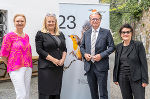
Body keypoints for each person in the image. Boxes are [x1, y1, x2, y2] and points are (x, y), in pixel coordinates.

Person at [80, 11, 115, 99]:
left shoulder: (106, 32)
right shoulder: (86, 33)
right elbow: (82, 47)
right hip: (89, 66)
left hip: (101, 66)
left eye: (97, 19)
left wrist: (101, 55)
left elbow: (112, 47)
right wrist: (84, 54)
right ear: (90, 20)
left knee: (103, 92)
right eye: (93, 19)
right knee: (93, 92)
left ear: (100, 20)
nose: (95, 21)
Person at [0, 14, 33, 99]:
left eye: (22, 21)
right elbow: (3, 55)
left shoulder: (26, 36)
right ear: (14, 23)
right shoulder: (9, 36)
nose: (20, 23)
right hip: (15, 68)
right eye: (17, 21)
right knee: (21, 94)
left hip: (28, 67)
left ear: (25, 23)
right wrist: (10, 66)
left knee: (27, 94)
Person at [35, 13, 67, 99]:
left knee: (56, 91)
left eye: (53, 21)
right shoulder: (40, 34)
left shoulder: (60, 34)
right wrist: (53, 60)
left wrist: (62, 60)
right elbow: (39, 50)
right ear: (45, 22)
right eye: (49, 21)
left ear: (55, 22)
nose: (51, 23)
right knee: (46, 92)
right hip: (46, 67)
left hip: (58, 67)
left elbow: (64, 49)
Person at [113, 24, 149, 99]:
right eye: (123, 32)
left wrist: (145, 80)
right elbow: (117, 63)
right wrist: (115, 77)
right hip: (122, 77)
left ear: (131, 33)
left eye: (128, 32)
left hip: (137, 78)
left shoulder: (138, 45)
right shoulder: (118, 47)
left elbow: (143, 63)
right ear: (120, 34)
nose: (125, 34)